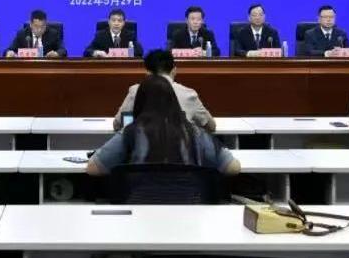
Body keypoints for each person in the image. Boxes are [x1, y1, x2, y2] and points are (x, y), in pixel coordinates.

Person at [87, 75, 240, 176]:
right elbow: (233, 168)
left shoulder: (130, 133)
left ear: (140, 102)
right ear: (174, 101)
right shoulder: (195, 133)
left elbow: (93, 169)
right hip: (189, 206)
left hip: (140, 205)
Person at [113, 49, 216, 132]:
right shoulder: (188, 94)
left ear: (147, 72)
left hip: (142, 149)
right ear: (174, 70)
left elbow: (117, 124)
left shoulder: (135, 91)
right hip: (179, 150)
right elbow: (211, 126)